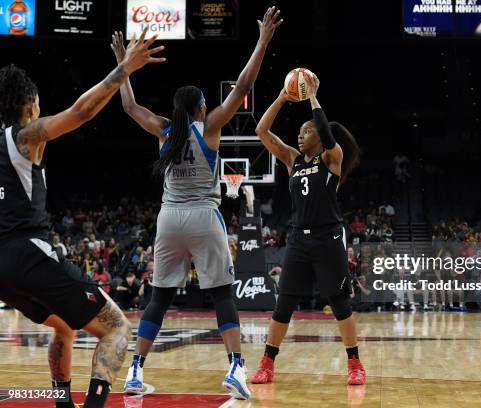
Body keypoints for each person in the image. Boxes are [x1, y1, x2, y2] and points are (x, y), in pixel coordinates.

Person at [111, 7, 283, 399]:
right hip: (204, 216)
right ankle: (236, 368)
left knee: (159, 298)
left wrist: (123, 66)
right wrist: (262, 42)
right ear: (200, 108)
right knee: (222, 293)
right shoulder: (209, 128)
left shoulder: (164, 129)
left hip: (168, 219)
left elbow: (127, 107)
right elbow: (242, 87)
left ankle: (135, 371)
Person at [0, 27, 164, 408]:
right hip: (29, 254)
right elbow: (81, 111)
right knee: (118, 329)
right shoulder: (26, 136)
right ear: (29, 106)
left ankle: (62, 404)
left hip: (2, 266)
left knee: (62, 328)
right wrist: (124, 68)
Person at [249, 72, 365, 385]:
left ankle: (355, 364)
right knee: (284, 303)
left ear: (319, 134)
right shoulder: (292, 159)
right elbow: (261, 130)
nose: (300, 136)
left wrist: (312, 96)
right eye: (299, 132)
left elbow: (328, 136)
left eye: (306, 130)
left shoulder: (332, 157)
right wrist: (282, 98)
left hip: (329, 237)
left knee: (339, 302)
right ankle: (266, 364)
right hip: (300, 238)